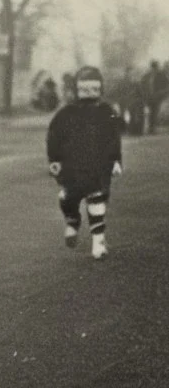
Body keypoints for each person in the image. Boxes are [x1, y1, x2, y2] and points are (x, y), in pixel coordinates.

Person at [46, 66, 123, 260]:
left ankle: (98, 242)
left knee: (96, 201)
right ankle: (72, 220)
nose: (90, 96)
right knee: (67, 198)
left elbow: (115, 137)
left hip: (98, 165)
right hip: (71, 167)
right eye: (85, 90)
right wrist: (54, 159)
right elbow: (53, 137)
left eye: (94, 90)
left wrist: (116, 160)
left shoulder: (106, 111)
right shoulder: (66, 113)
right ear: (77, 91)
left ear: (100, 90)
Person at [141, 60, 169, 134]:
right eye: (153, 67)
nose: (154, 69)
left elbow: (167, 87)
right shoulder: (146, 76)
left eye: (155, 67)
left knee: (155, 112)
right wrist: (144, 94)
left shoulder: (162, 76)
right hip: (148, 97)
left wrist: (161, 93)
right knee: (150, 112)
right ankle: (151, 128)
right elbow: (142, 85)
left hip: (157, 97)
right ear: (151, 67)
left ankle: (152, 128)